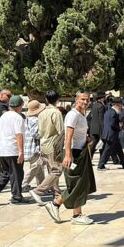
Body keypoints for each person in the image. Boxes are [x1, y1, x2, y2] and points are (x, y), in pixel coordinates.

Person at [43, 90, 96, 225]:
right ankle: (59, 206)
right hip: (74, 154)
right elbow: (68, 136)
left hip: (81, 152)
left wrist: (86, 139)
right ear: (76, 99)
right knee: (76, 184)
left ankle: (73, 212)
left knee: (81, 184)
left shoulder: (81, 114)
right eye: (83, 99)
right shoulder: (73, 115)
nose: (85, 102)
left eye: (87, 100)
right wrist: (68, 155)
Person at [0, 95, 30, 205]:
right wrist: (21, 151)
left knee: (6, 173)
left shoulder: (3, 116)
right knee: (17, 174)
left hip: (2, 149)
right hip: (13, 150)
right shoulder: (17, 118)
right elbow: (18, 135)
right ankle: (16, 197)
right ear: (20, 106)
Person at [29, 91, 65, 206]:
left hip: (43, 144)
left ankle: (57, 194)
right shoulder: (56, 113)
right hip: (53, 145)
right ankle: (38, 191)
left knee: (51, 171)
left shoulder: (42, 113)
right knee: (56, 171)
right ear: (57, 99)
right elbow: (61, 131)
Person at [98, 98, 124, 170]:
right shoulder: (113, 112)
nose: (121, 107)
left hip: (112, 134)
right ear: (117, 105)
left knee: (119, 149)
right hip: (111, 135)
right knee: (107, 151)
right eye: (121, 105)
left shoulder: (109, 111)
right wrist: (119, 126)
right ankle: (101, 165)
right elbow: (112, 123)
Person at [21, 100, 45, 191]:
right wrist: (44, 133)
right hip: (34, 148)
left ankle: (42, 187)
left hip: (28, 148)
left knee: (39, 168)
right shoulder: (35, 120)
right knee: (36, 167)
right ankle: (23, 184)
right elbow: (36, 134)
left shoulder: (27, 119)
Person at [87, 91, 107, 156]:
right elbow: (101, 119)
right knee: (101, 144)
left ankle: (90, 158)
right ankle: (101, 161)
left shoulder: (94, 105)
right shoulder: (101, 106)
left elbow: (89, 117)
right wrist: (103, 130)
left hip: (93, 128)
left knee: (93, 145)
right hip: (98, 129)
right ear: (102, 98)